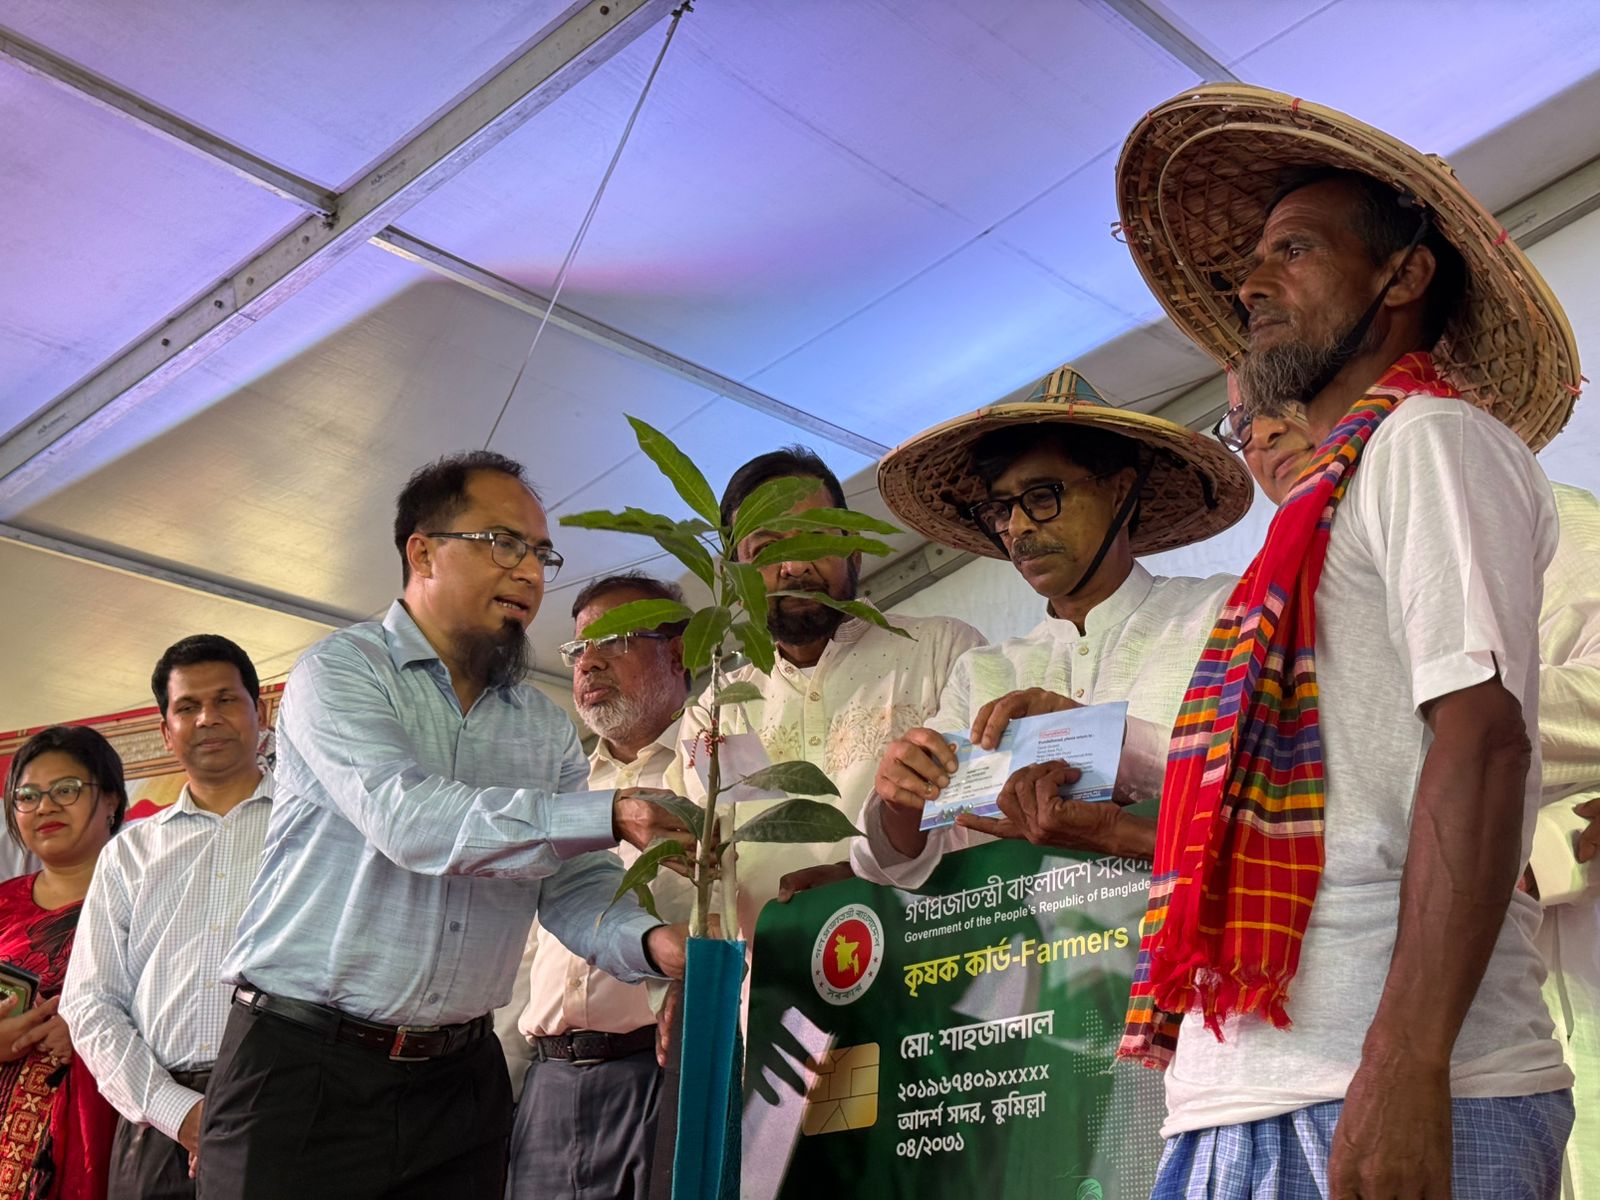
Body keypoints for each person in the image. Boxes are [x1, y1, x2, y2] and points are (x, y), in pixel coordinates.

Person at [1114, 85, 1581, 1196]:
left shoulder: (1430, 440)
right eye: (1250, 264)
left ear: (1402, 277)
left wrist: (1406, 1063)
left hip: (1394, 1080)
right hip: (1249, 1090)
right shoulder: (1314, 518)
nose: (1250, 284)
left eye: (1294, 250)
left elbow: (1485, 742)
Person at [197, 451, 691, 1199]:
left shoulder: (543, 728)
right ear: (422, 552)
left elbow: (574, 888)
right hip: (304, 1068)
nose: (531, 573)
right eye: (504, 543)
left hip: (460, 1085)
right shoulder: (341, 672)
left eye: (541, 554)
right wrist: (609, 813)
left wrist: (654, 946)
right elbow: (409, 819)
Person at [1220, 386, 1600, 1199]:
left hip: (1499, 1004)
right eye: (1241, 419)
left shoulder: (1537, 511)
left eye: (1287, 395)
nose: (1265, 431)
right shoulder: (1270, 588)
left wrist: (1424, 702)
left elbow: (1514, 724)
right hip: (1301, 1054)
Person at [850, 363, 1252, 886]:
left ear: (1119, 492)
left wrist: (1093, 735)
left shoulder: (1220, 612)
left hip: (1201, 928)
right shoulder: (982, 672)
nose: (1017, 527)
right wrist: (900, 802)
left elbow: (1264, 782)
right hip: (1033, 940)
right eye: (999, 509)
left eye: (1042, 496)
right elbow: (894, 865)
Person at [679, 445, 986, 941]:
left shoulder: (942, 649)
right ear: (735, 580)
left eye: (815, 539)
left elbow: (983, 816)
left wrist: (866, 876)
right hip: (773, 976)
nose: (794, 566)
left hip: (929, 956)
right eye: (766, 550)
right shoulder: (715, 712)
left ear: (854, 552)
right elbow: (708, 868)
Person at [501, 573, 692, 1200]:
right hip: (548, 1084)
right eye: (579, 648)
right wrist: (504, 1087)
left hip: (663, 1069)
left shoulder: (720, 766)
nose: (589, 662)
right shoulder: (568, 787)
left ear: (678, 652)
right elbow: (527, 953)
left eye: (615, 640)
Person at [62, 635, 272, 1199]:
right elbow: (88, 1003)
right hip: (155, 1120)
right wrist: (180, 1113)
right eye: (187, 707)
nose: (207, 718)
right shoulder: (129, 853)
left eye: (225, 700)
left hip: (284, 1109)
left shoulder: (311, 829)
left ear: (260, 712)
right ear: (165, 731)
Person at [0, 726, 124, 1199]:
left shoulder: (147, 898)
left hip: (102, 1126)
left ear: (111, 799)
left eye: (66, 790)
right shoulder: (2, 904)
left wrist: (89, 1029)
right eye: (27, 796)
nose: (45, 807)